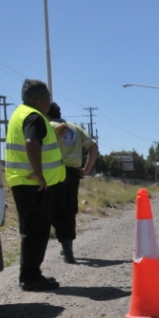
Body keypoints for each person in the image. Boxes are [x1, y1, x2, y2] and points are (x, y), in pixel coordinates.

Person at [5, 79, 65, 291]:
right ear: (42, 98)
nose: (49, 101)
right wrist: (39, 174)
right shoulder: (34, 116)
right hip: (33, 183)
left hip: (21, 181)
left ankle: (29, 274)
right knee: (36, 231)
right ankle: (31, 277)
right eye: (48, 97)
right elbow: (31, 142)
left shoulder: (19, 113)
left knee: (30, 229)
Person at [47, 103, 98, 263]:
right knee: (70, 209)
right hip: (73, 172)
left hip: (55, 172)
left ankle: (66, 247)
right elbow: (93, 147)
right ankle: (68, 244)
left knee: (56, 209)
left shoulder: (49, 127)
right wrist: (86, 168)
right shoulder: (75, 128)